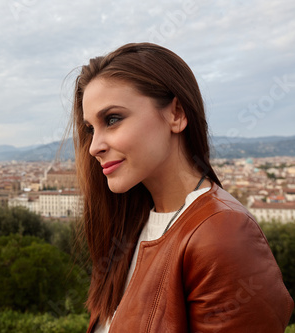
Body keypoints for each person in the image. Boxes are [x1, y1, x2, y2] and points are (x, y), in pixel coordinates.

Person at [70, 42, 294, 332]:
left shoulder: (222, 233)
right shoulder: (131, 225)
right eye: (90, 129)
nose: (94, 147)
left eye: (112, 119)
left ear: (176, 114)